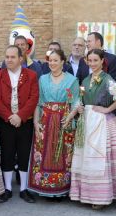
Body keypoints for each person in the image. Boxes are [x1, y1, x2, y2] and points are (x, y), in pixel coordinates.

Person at [70, 49, 116, 209]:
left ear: (102, 61)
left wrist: (108, 109)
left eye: (96, 60)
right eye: (90, 60)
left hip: (102, 122)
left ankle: (101, 197)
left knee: (101, 158)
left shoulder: (107, 79)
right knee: (87, 157)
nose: (93, 63)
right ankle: (86, 194)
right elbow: (80, 100)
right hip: (87, 121)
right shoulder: (86, 80)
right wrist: (80, 108)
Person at [27, 49, 79, 198]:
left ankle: (61, 190)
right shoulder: (42, 79)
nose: (52, 63)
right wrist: (36, 123)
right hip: (46, 119)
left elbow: (75, 102)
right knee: (44, 152)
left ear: (63, 62)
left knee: (63, 153)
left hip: (64, 121)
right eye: (50, 60)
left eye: (56, 60)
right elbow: (38, 103)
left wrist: (69, 118)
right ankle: (43, 187)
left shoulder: (71, 81)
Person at [0, 45, 39, 203]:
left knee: (24, 153)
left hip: (25, 121)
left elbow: (34, 98)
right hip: (6, 121)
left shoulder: (31, 75)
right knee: (7, 153)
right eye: (7, 57)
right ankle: (8, 189)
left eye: (12, 57)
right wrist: (10, 116)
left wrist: (21, 116)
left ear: (21, 58)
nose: (9, 60)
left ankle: (24, 189)